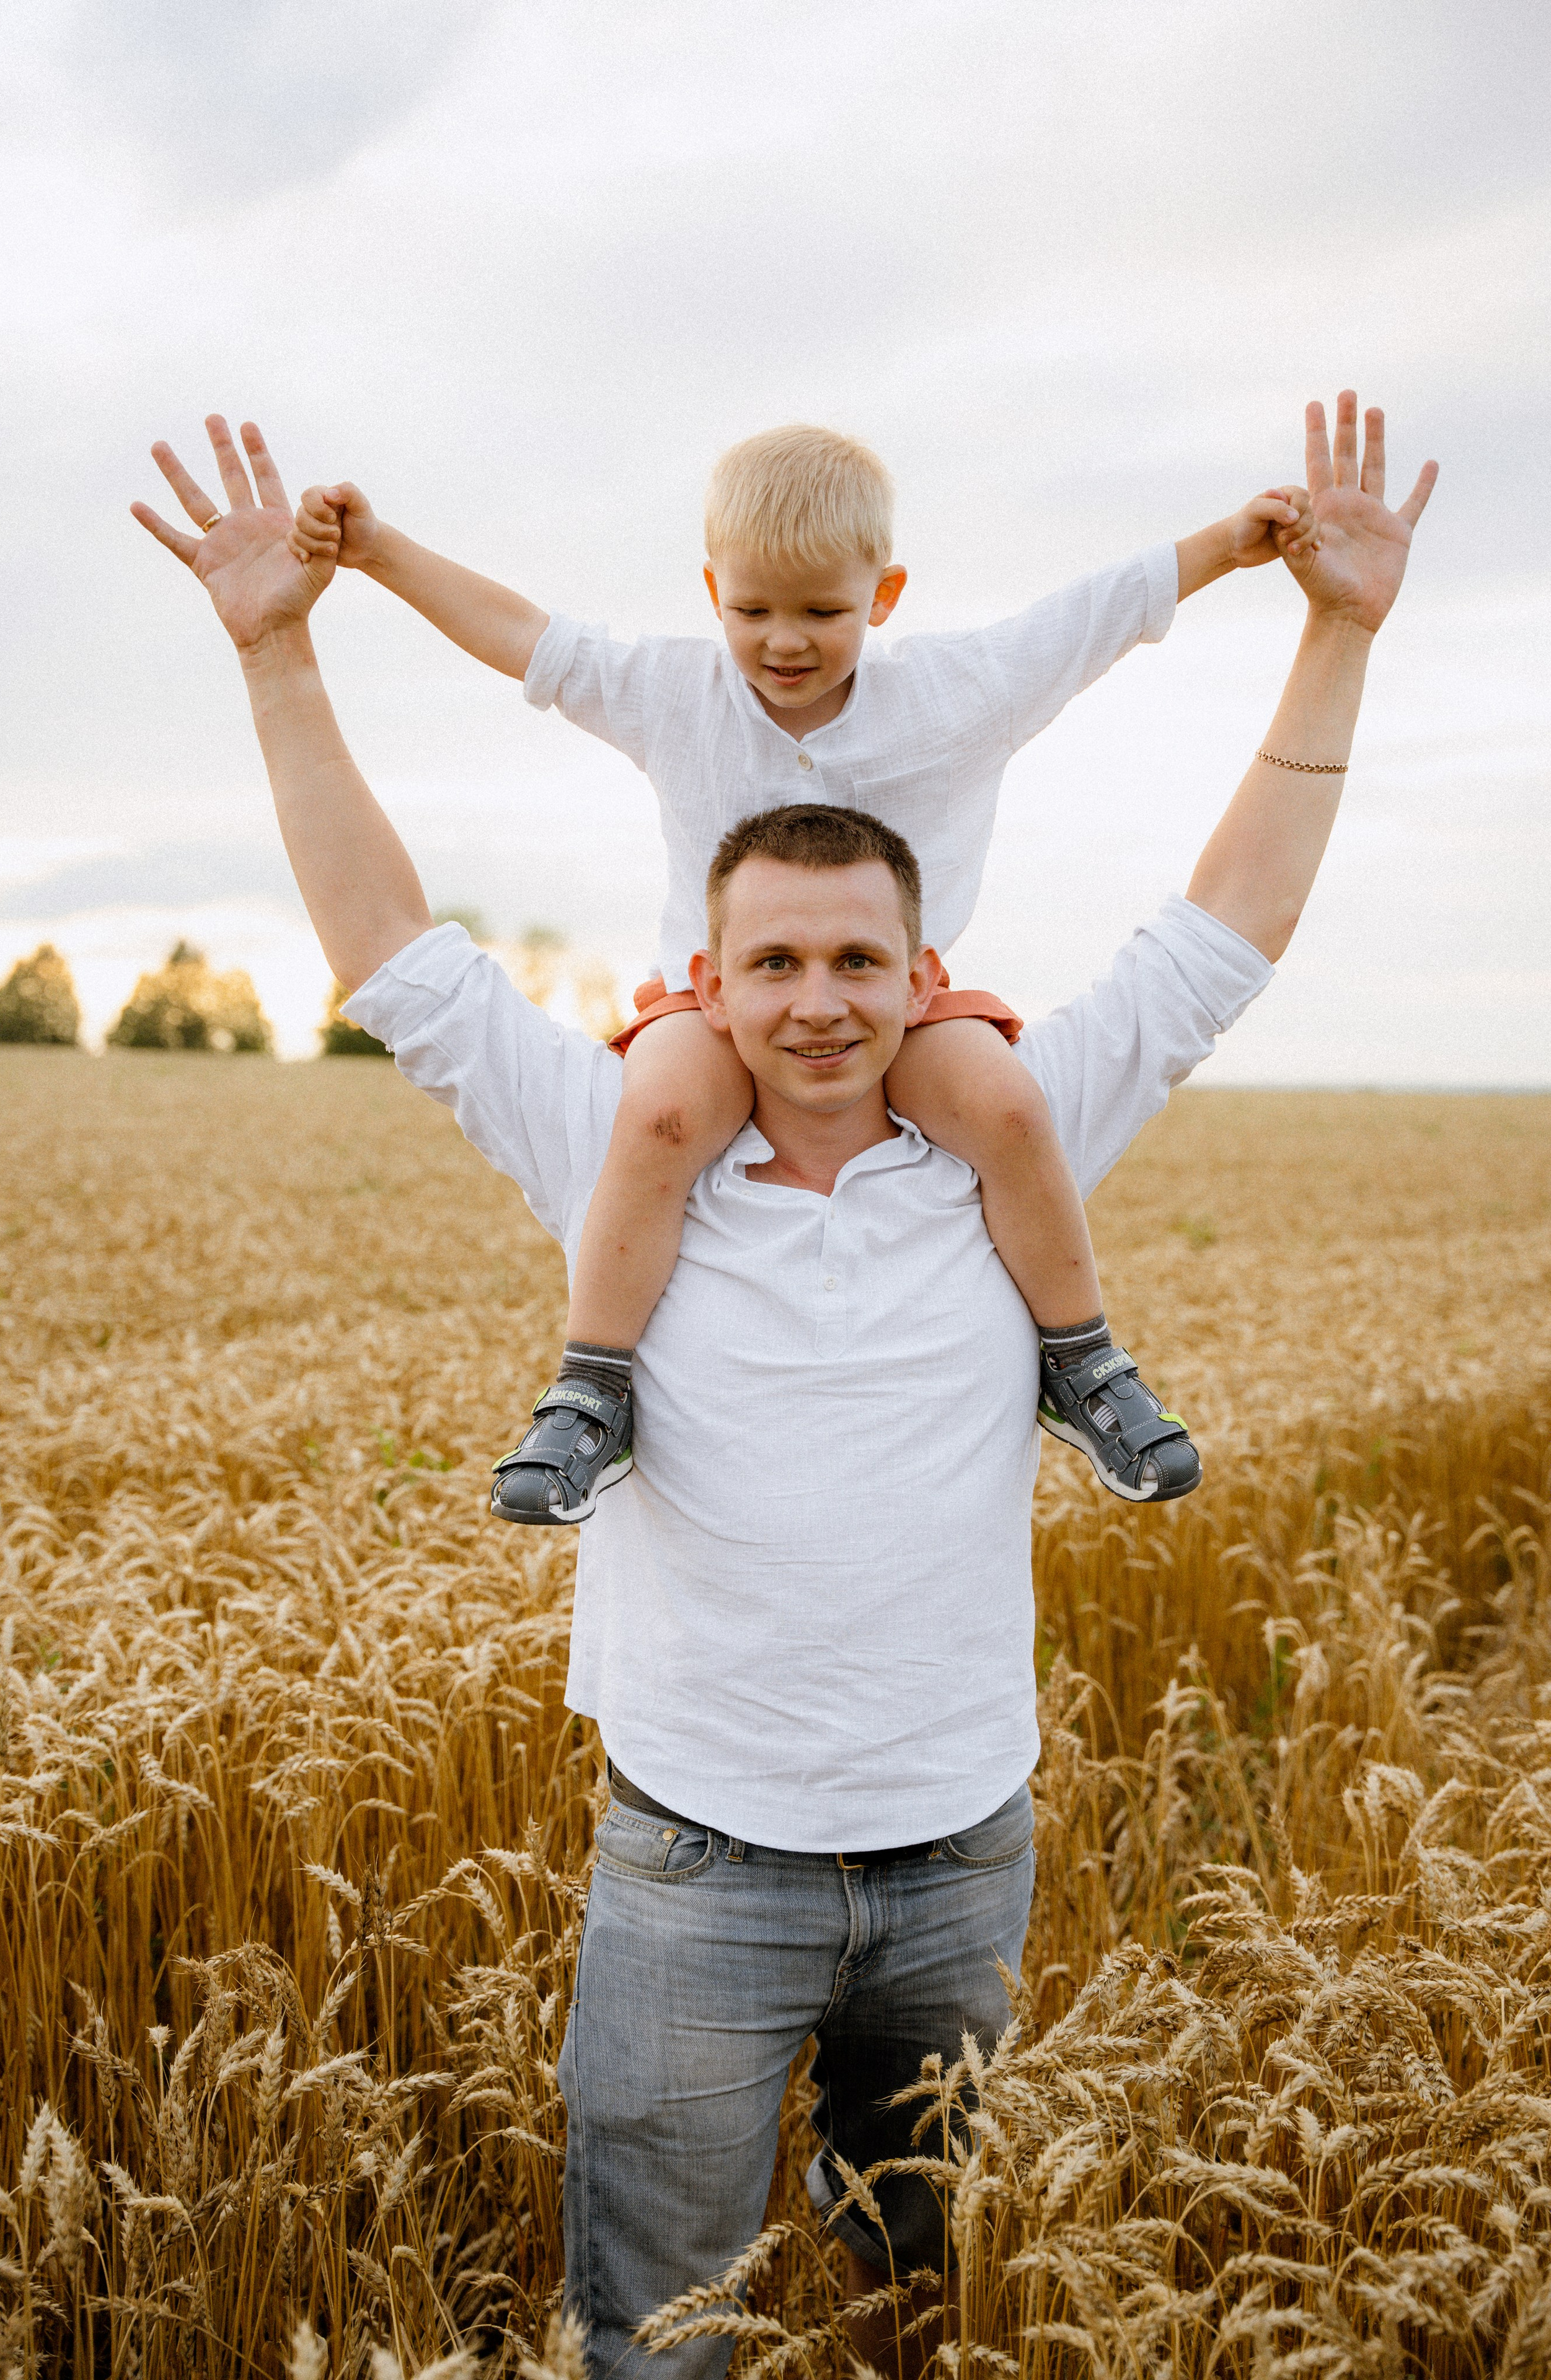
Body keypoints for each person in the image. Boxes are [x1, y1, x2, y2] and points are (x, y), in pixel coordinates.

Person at [132, 393, 1434, 2378]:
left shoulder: (1022, 1132)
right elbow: (393, 947)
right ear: (705, 989)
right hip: (695, 1864)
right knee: (655, 2332)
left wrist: (1333, 627)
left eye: (856, 960)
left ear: (926, 977)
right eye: (772, 967)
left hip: (961, 1853)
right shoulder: (615, 1142)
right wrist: (282, 646)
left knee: (942, 2301)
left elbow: (1225, 929)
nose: (817, 1000)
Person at [285, 428, 1325, 1523]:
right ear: (712, 592)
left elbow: (1094, 616)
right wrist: (378, 551)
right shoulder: (672, 692)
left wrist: (1227, 545)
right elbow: (525, 639)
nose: (784, 643)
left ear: (884, 595)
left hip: (907, 1008)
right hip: (709, 1002)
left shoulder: (958, 691)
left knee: (1015, 1108)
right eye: (752, 612)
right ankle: (592, 1387)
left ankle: (1082, 1361)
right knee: (661, 1118)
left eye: (822, 613)